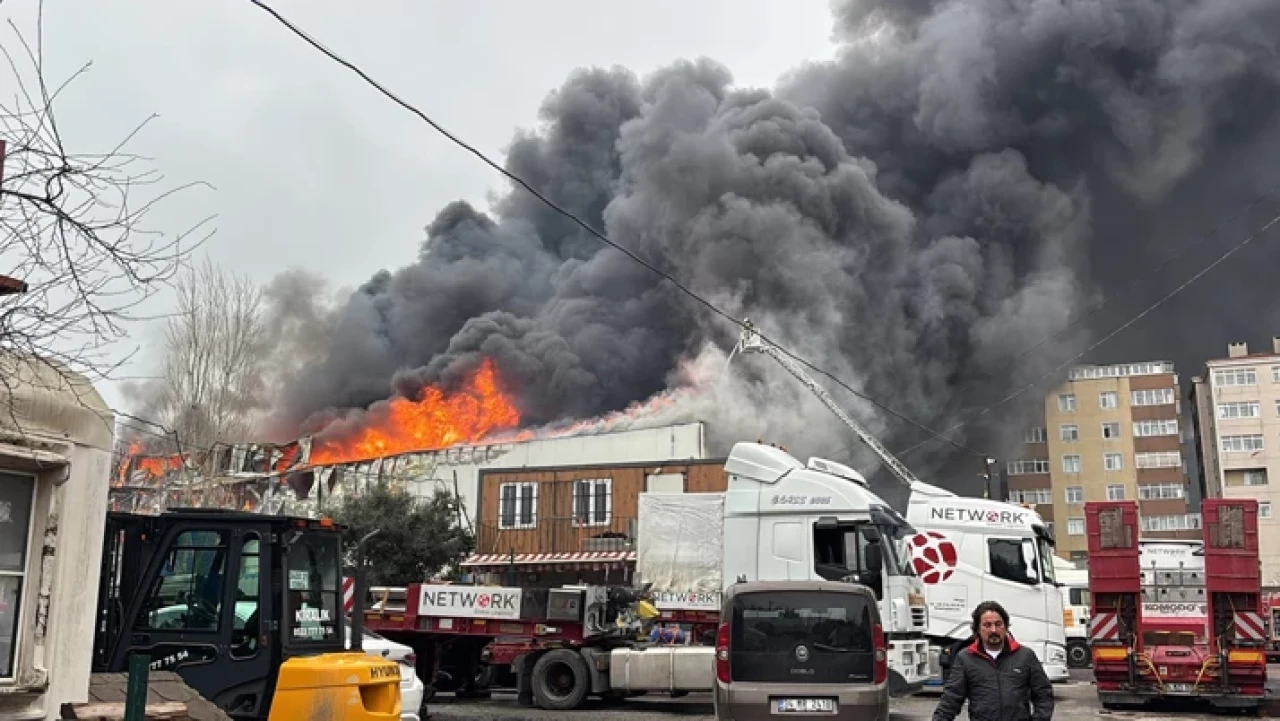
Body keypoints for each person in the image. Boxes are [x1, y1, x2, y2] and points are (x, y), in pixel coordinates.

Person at [932, 601, 1053, 721]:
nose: (993, 630)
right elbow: (951, 699)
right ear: (978, 629)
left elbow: (1043, 695)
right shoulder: (965, 659)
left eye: (998, 624)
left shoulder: (1025, 656)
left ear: (1005, 626)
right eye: (987, 625)